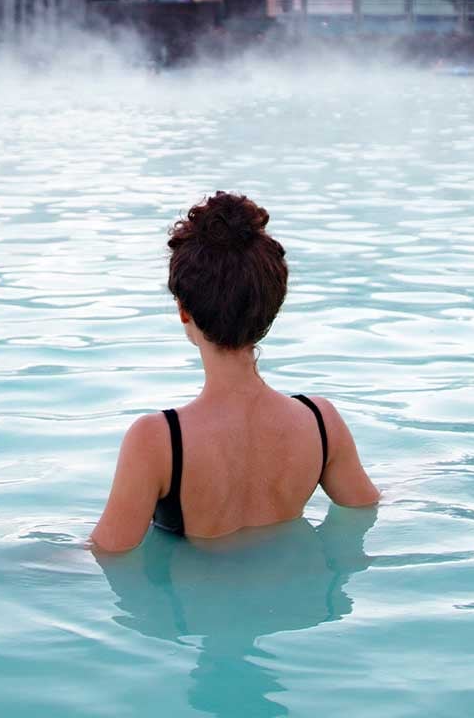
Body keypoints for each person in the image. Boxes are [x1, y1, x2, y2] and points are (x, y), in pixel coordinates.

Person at [91, 192, 379, 552]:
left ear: (184, 311)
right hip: (295, 606)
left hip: (197, 604)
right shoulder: (321, 423)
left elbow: (107, 555)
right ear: (272, 307)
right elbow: (366, 506)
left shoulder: (156, 442)